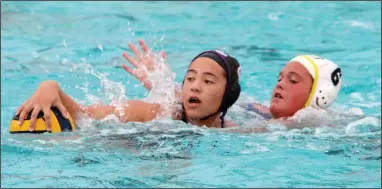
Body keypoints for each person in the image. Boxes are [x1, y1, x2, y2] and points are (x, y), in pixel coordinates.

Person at [14, 42, 242, 131]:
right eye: (190, 79)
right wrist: (51, 87)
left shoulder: (238, 130)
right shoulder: (159, 113)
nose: (195, 87)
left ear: (228, 96)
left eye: (208, 81)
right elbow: (85, 116)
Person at [123, 40, 343, 125]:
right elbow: (209, 103)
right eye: (279, 78)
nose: (280, 84)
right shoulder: (253, 110)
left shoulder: (321, 126)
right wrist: (162, 85)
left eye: (292, 80)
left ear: (319, 95)